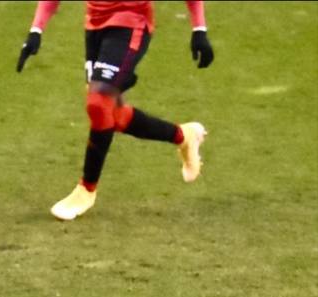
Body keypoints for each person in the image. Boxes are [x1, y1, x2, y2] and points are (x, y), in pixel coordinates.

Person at [16, 1, 214, 221]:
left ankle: (86, 190)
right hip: (95, 27)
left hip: (131, 23)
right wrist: (36, 30)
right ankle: (184, 135)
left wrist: (199, 29)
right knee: (113, 115)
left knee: (98, 103)